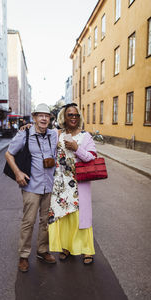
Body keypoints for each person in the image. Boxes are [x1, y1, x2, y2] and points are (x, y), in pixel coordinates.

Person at [5, 103, 57, 272]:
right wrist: (18, 172)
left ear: (50, 119)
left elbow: (70, 129)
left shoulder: (54, 135)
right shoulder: (25, 134)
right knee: (28, 221)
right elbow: (8, 154)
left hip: (49, 186)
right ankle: (24, 256)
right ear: (34, 118)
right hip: (31, 186)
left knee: (46, 222)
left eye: (47, 116)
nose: (43, 118)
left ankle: (42, 251)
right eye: (40, 115)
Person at [48, 103, 96, 264]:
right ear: (64, 117)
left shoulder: (85, 136)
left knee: (80, 217)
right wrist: (27, 127)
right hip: (61, 184)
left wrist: (77, 148)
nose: (73, 117)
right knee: (64, 216)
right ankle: (67, 247)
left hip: (78, 183)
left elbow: (92, 158)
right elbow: (41, 135)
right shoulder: (57, 134)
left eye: (76, 115)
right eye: (70, 115)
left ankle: (87, 250)